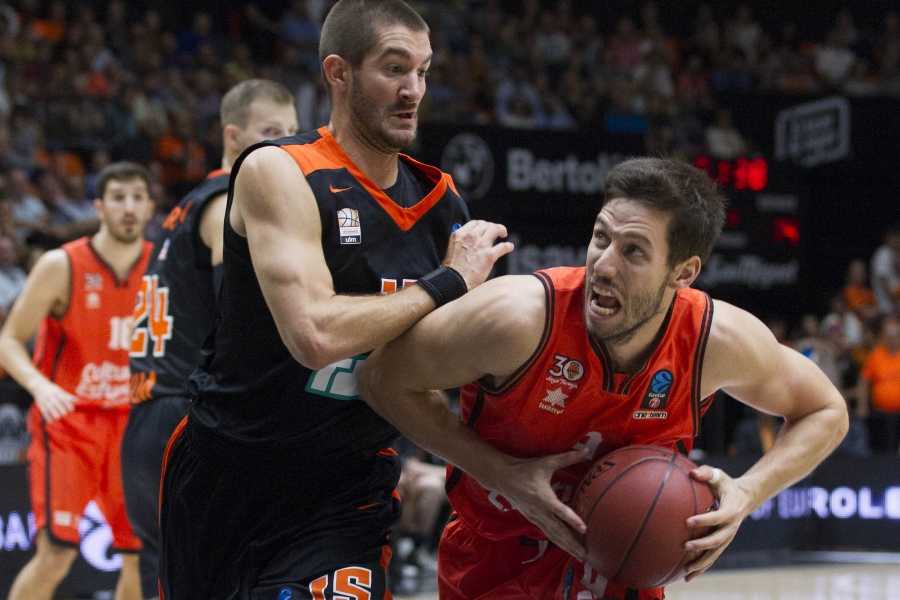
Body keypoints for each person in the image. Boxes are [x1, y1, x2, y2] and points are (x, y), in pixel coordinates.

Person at [359, 157, 849, 600]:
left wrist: (748, 493)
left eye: (634, 251)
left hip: (625, 574)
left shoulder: (712, 340)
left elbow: (826, 411)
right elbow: (381, 377)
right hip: (497, 565)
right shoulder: (520, 318)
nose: (604, 264)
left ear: (683, 272)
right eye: (601, 237)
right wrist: (501, 473)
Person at [157, 1, 512, 598]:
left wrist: (511, 473)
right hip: (228, 472)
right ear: (338, 73)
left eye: (423, 71)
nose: (413, 90)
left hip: (345, 490)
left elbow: (425, 385)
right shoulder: (280, 170)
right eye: (395, 68)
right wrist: (447, 283)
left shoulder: (443, 206)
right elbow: (314, 336)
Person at [123, 79, 298, 600]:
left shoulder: (185, 207)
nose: (284, 146)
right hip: (187, 415)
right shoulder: (228, 199)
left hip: (145, 420)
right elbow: (239, 309)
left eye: (292, 134)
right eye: (271, 133)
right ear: (232, 135)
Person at [0, 162, 154, 600]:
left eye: (137, 197)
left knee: (138, 556)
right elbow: (8, 341)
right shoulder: (61, 264)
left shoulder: (162, 266)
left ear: (149, 206)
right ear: (99, 206)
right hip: (69, 424)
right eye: (118, 198)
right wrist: (40, 386)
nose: (128, 207)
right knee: (57, 554)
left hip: (132, 424)